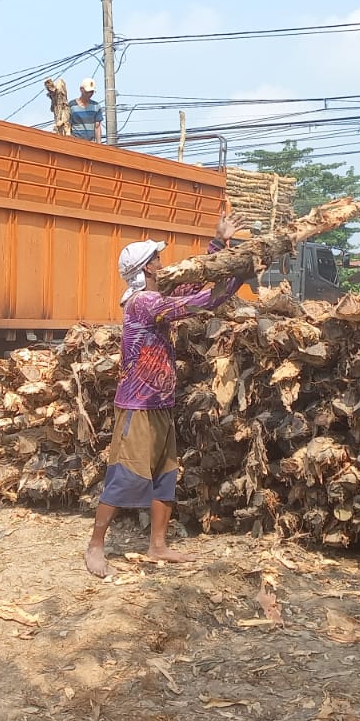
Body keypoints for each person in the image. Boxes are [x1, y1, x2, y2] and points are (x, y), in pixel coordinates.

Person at [85, 213, 252, 578]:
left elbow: (195, 286)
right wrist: (241, 274)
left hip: (160, 403)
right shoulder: (143, 304)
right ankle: (95, 546)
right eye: (157, 260)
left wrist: (220, 243)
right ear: (145, 270)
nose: (165, 264)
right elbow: (202, 302)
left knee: (165, 475)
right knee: (125, 475)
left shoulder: (158, 294)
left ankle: (157, 546)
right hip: (138, 405)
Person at [69, 78, 104, 143]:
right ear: (81, 89)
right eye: (87, 92)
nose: (89, 94)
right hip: (75, 142)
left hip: (91, 143)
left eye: (92, 92)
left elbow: (97, 127)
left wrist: (99, 143)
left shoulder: (96, 106)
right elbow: (68, 125)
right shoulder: (71, 105)